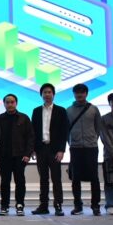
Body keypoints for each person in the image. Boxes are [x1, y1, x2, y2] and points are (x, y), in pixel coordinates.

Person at [30, 83, 67, 216]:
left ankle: (58, 205)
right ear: (41, 95)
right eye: (44, 92)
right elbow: (33, 131)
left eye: (49, 92)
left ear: (53, 94)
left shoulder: (61, 111)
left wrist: (61, 150)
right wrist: (33, 149)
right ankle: (43, 205)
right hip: (41, 149)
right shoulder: (36, 111)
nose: (47, 94)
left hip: (55, 150)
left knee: (56, 178)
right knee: (43, 179)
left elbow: (64, 132)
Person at [66, 83, 102, 216]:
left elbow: (98, 128)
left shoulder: (94, 109)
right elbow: (66, 129)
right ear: (74, 94)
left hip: (91, 147)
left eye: (82, 92)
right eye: (77, 92)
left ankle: (95, 205)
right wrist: (71, 141)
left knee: (94, 177)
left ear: (86, 94)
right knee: (75, 178)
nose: (79, 95)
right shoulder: (68, 110)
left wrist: (92, 139)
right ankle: (78, 206)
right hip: (75, 148)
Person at [0, 94, 34, 216]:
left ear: (16, 103)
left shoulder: (24, 118)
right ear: (4, 104)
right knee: (5, 182)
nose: (10, 104)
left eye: (12, 102)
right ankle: (4, 205)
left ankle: (20, 205)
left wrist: (27, 154)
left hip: (20, 156)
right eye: (7, 102)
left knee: (20, 182)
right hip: (4, 156)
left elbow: (30, 137)